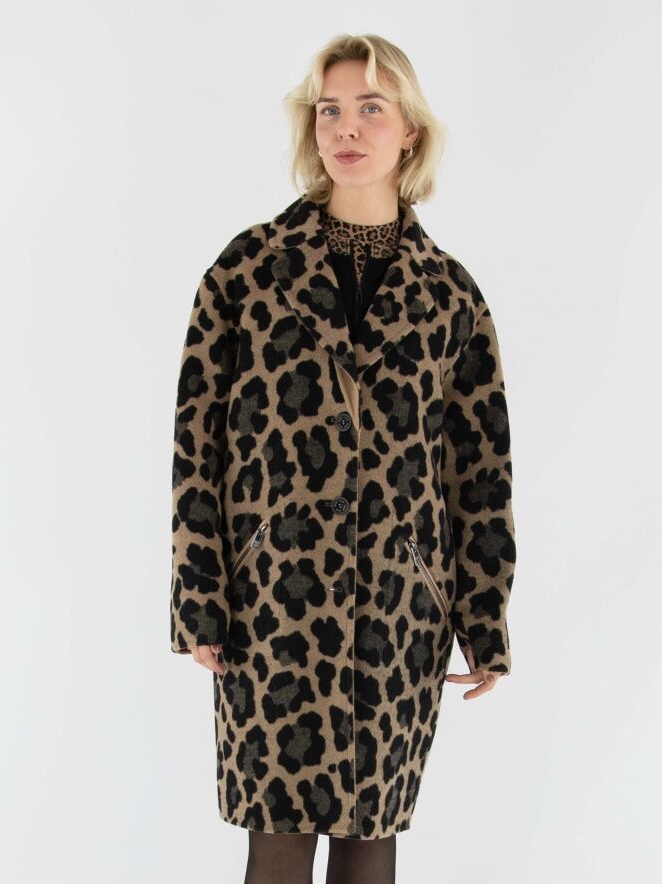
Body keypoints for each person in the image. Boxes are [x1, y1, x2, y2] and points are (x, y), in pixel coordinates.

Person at [170, 32, 516, 884]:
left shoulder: (449, 295)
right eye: (329, 110)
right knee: (276, 845)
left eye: (370, 108)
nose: (346, 128)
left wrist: (482, 620)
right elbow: (195, 444)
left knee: (371, 845)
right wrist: (200, 597)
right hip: (269, 607)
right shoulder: (247, 270)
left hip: (399, 613)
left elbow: (479, 470)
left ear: (410, 131)